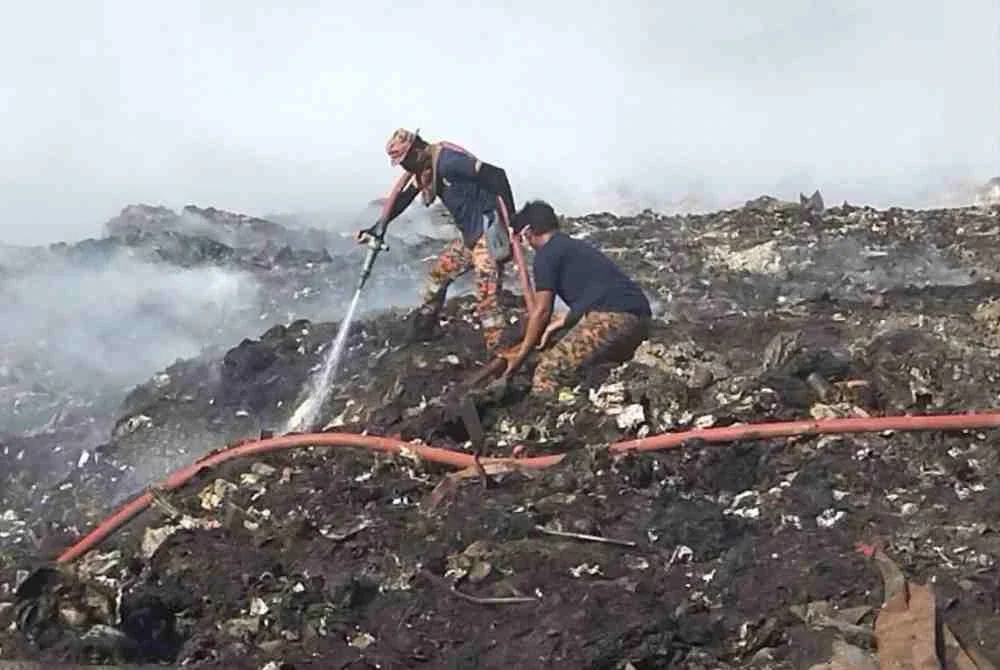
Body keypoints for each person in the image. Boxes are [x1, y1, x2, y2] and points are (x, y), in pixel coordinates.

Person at [355, 128, 527, 352]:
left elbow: (496, 174)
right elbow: (404, 198)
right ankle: (425, 328)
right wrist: (377, 228)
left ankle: (500, 350)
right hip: (469, 238)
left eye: (405, 160)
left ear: (416, 150)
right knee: (438, 276)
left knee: (486, 297)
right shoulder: (426, 169)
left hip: (487, 235)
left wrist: (511, 218)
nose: (405, 168)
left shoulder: (448, 161)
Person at [497, 200, 652, 395]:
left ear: (529, 231)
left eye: (522, 237)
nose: (524, 242)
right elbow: (594, 293)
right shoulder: (572, 246)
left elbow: (542, 311)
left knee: (548, 372)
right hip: (640, 319)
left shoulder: (546, 255)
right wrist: (560, 323)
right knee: (579, 361)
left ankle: (552, 409)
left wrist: (520, 358)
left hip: (615, 319)